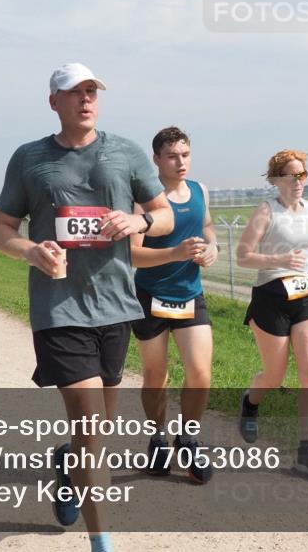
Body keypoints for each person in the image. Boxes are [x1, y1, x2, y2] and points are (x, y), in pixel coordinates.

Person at [0, 63, 173, 552]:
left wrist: (137, 223)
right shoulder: (30, 159)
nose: (86, 99)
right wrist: (31, 250)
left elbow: (164, 214)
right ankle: (102, 543)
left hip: (115, 306)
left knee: (98, 433)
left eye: (92, 91)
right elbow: (2, 230)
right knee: (91, 425)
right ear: (54, 102)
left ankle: (68, 466)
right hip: (59, 309)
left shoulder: (127, 152)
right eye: (75, 92)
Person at [235, 149, 308, 481]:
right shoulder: (266, 211)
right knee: (275, 376)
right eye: (290, 175)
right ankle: (250, 403)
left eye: (302, 175)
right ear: (275, 180)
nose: (298, 182)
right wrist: (277, 260)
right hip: (272, 298)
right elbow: (242, 256)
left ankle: (305, 453)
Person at [130, 126, 218, 484]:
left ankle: (189, 438)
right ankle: (158, 439)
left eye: (185, 154)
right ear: (156, 160)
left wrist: (213, 247)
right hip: (150, 296)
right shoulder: (143, 201)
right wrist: (175, 253)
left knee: (200, 373)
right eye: (171, 156)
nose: (180, 162)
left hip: (189, 295)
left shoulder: (200, 190)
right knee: (156, 376)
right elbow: (133, 255)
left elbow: (208, 226)